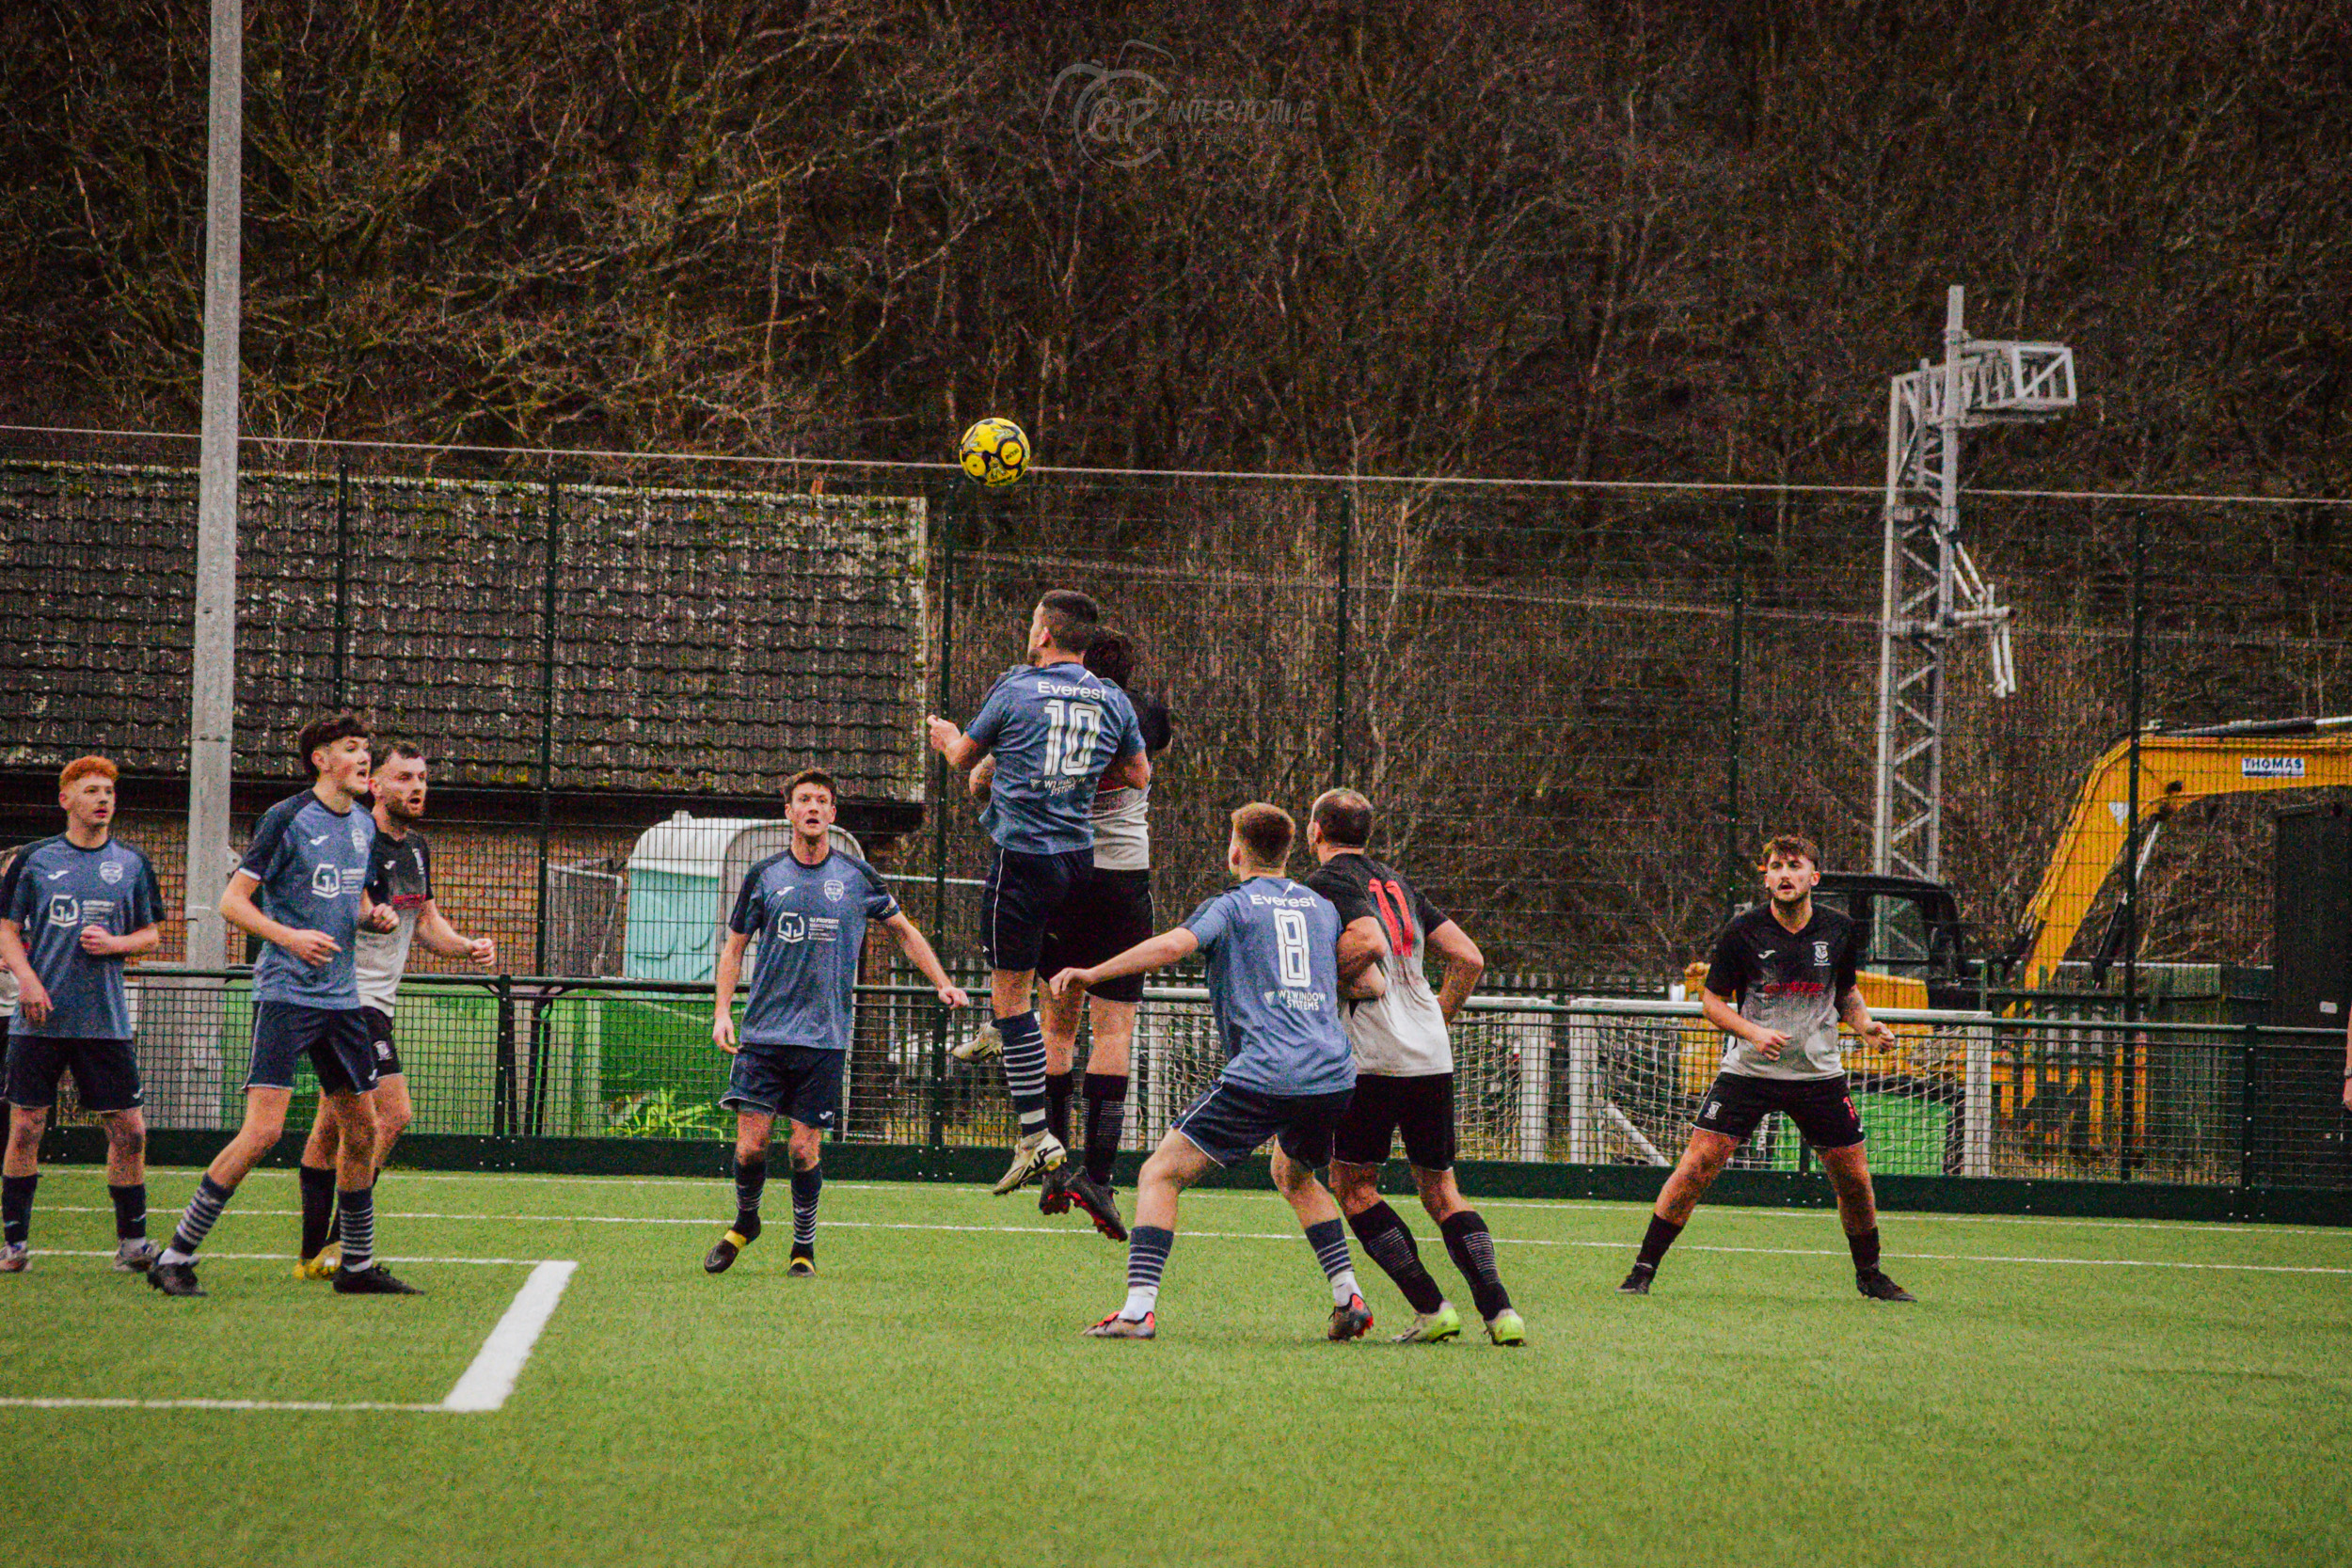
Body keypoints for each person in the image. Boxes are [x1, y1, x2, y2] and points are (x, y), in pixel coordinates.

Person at [1050, 802, 1384, 1341]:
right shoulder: (1322, 908)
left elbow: (1172, 946)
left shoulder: (1231, 906)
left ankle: (1137, 1311)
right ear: (1288, 851)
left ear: (1235, 850)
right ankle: (1350, 1297)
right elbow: (1369, 981)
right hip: (1333, 1075)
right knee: (1296, 1177)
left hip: (1268, 1072)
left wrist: (1094, 972)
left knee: (1160, 1174)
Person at [149, 712, 417, 1299]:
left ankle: (355, 1266)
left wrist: (373, 915)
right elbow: (232, 902)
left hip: (343, 1001)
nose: (363, 758)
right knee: (264, 1132)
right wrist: (289, 938)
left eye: (366, 748)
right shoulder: (287, 817)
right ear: (321, 759)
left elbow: (354, 898)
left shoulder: (363, 826)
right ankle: (174, 1256)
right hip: (287, 995)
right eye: (352, 748)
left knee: (363, 1131)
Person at [1617, 834, 1915, 1302]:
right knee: (1697, 1166)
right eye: (1776, 866)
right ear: (1766, 878)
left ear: (1814, 877)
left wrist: (1865, 1026)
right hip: (1749, 1073)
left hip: (1817, 1076)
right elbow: (1712, 1002)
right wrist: (1752, 1033)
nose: (1784, 874)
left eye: (1794, 866)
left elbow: (1844, 992)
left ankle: (1871, 1275)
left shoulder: (1839, 929)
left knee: (1855, 1179)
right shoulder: (1743, 931)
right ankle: (1642, 1270)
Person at [927, 590, 1149, 1196]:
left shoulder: (1016, 686)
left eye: (1032, 623)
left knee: (1015, 1000)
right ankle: (1001, 1030)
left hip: (1024, 860)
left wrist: (946, 734)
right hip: (1079, 861)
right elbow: (1139, 774)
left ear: (1044, 633)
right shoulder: (1112, 698)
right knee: (1028, 990)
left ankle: (1035, 1138)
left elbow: (964, 760)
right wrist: (1081, 769)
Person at [704, 768, 967, 1276]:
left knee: (803, 1151)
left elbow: (905, 931)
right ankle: (746, 1221)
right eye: (804, 799)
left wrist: (942, 982)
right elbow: (733, 948)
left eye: (822, 800)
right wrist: (721, 1012)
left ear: (832, 813)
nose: (813, 807)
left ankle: (802, 1248)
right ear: (788, 811)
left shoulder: (856, 876)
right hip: (762, 1035)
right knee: (750, 1147)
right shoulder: (764, 876)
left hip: (823, 1039)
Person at [970, 626, 1174, 1242]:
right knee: (1114, 1032)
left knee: (1056, 1027)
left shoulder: (1044, 710)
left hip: (1060, 869)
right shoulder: (1139, 715)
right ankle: (1101, 1176)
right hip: (1122, 877)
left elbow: (982, 778)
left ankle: (1053, 1165)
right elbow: (1145, 759)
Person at [1305, 787, 1526, 1346]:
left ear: (1315, 831)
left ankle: (1432, 1308)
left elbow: (1366, 947)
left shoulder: (1325, 884)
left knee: (1352, 1185)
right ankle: (1501, 1314)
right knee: (1442, 1190)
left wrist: (1319, 976)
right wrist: (1438, 1018)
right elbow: (1469, 958)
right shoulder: (1399, 884)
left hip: (1373, 1058)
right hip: (1431, 1054)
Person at [294, 742, 497, 1280]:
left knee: (331, 1125)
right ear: (375, 784)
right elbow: (330, 905)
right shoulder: (354, 838)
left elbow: (426, 923)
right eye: (404, 777)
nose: (417, 787)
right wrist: (364, 916)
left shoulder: (417, 848)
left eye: (422, 777)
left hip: (376, 1002)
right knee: (394, 1113)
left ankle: (311, 1256)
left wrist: (467, 947)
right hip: (347, 997)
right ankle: (341, 1242)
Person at [0, 757, 163, 1275]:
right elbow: (6, 930)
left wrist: (117, 944)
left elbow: (152, 935)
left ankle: (132, 1245)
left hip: (105, 1022)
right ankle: (13, 1246)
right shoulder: (34, 859)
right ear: (65, 799)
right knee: (26, 1127)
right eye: (91, 790)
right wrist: (28, 980)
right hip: (39, 1021)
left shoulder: (133, 863)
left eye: (109, 791)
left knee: (130, 1132)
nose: (103, 799)